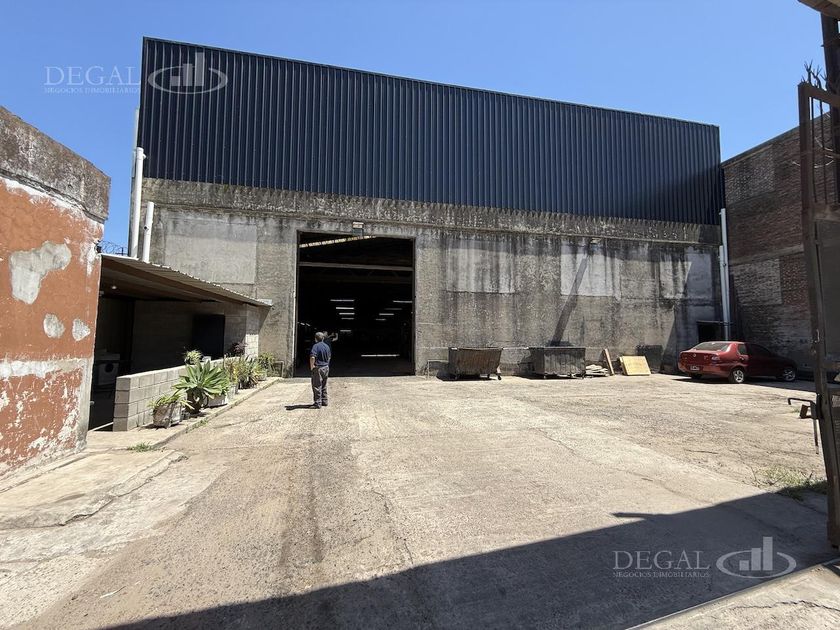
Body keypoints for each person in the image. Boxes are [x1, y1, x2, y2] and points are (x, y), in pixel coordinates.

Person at [309, 331, 331, 408]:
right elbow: (329, 357)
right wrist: (327, 364)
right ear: (323, 338)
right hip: (326, 367)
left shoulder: (315, 346)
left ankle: (317, 403)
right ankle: (324, 401)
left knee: (317, 386)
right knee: (324, 385)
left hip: (318, 368)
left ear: (315, 339)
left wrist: (312, 366)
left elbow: (312, 357)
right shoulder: (327, 346)